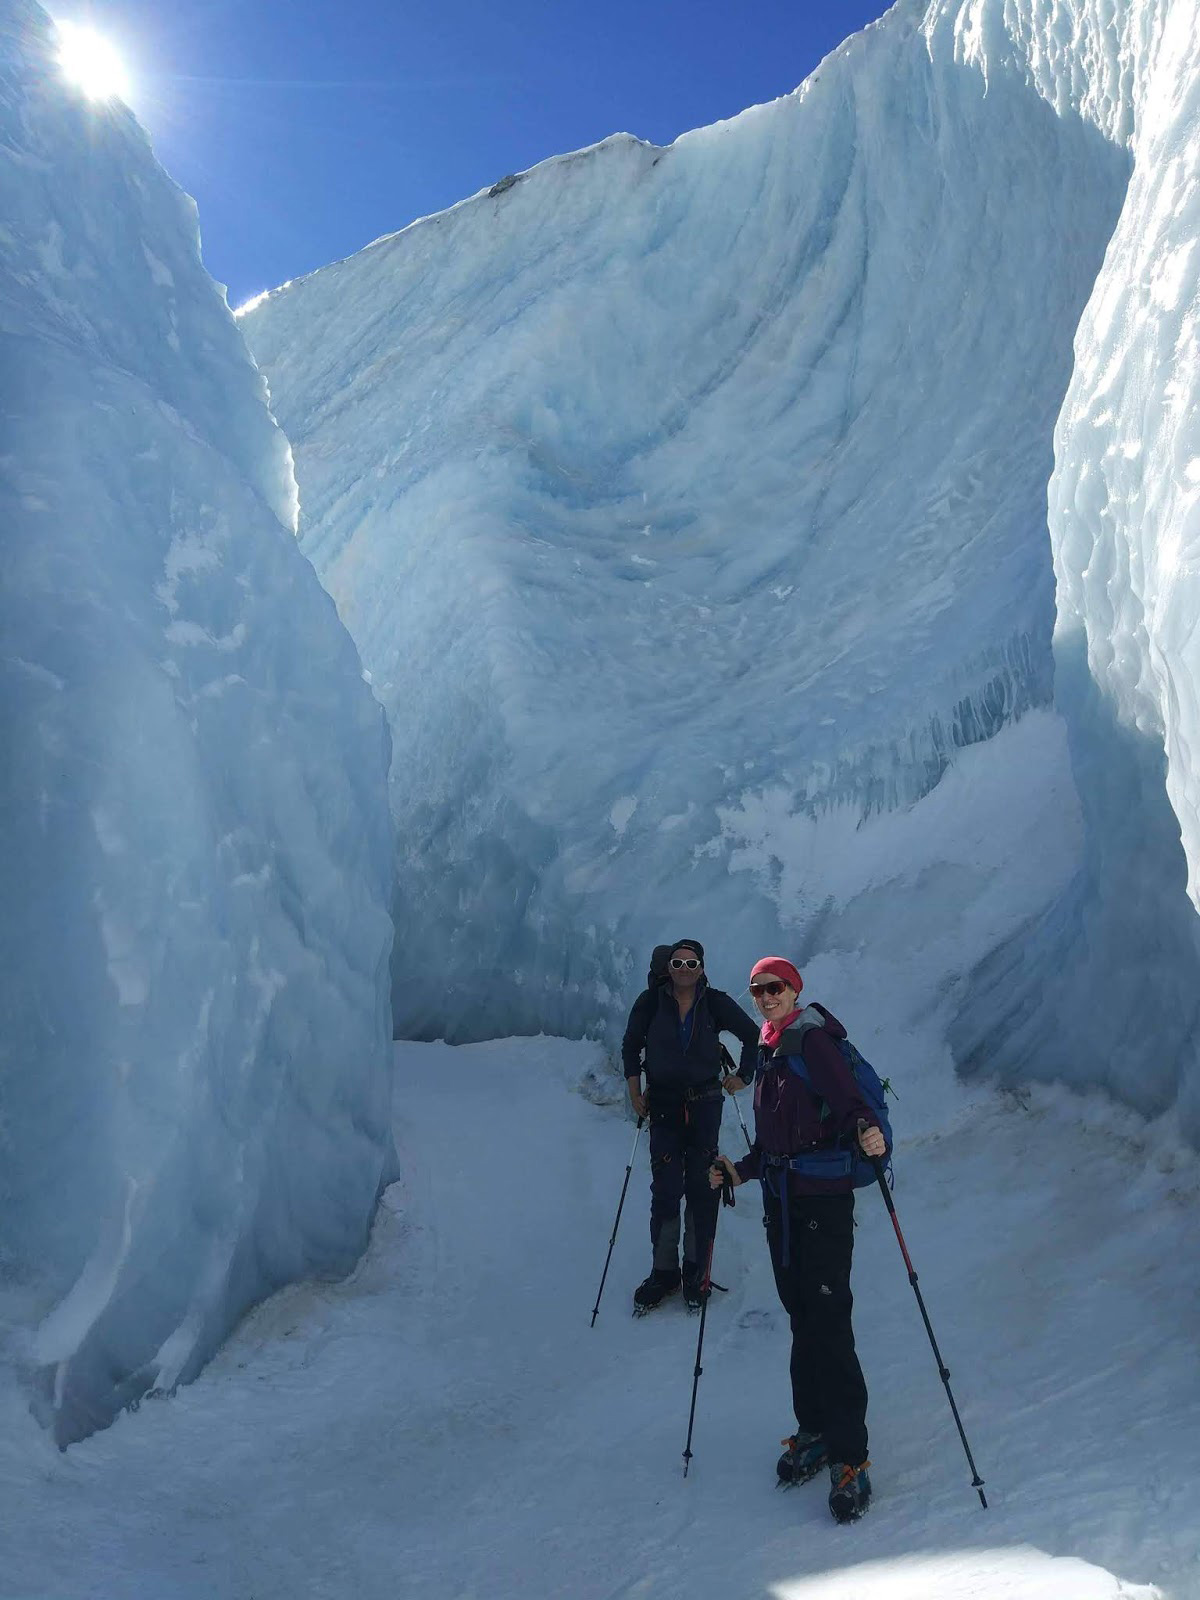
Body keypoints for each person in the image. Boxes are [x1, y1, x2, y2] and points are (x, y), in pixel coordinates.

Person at [710, 956, 887, 1524]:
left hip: (823, 1203)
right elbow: (773, 1143)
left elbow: (852, 1105)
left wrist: (868, 1131)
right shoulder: (769, 1050)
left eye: (774, 988)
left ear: (795, 991)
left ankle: (850, 1456)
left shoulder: (812, 1042)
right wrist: (739, 1170)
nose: (765, 997)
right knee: (803, 1319)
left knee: (830, 1323)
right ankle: (813, 1430)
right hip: (782, 1203)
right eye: (758, 990)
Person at [621, 940, 758, 1312]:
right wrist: (636, 1092)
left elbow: (752, 1034)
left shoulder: (715, 1002)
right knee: (665, 1190)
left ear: (701, 967)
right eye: (678, 962)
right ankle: (665, 1272)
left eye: (691, 962)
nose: (684, 967)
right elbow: (631, 1047)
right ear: (669, 967)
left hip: (704, 1105)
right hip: (664, 1106)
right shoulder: (649, 1003)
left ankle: (696, 1271)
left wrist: (745, 1076)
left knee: (702, 1186)